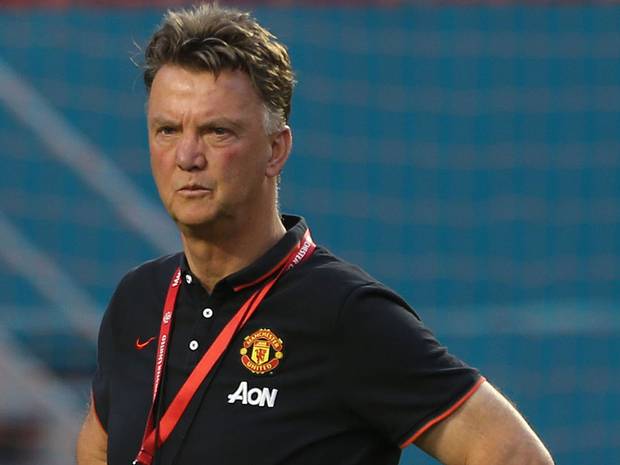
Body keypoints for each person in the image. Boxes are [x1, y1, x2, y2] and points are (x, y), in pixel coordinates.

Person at [76, 4, 554, 465]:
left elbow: (515, 454)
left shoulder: (344, 312)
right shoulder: (138, 298)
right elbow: (98, 447)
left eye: (217, 131)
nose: (187, 157)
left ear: (275, 150)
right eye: (167, 130)